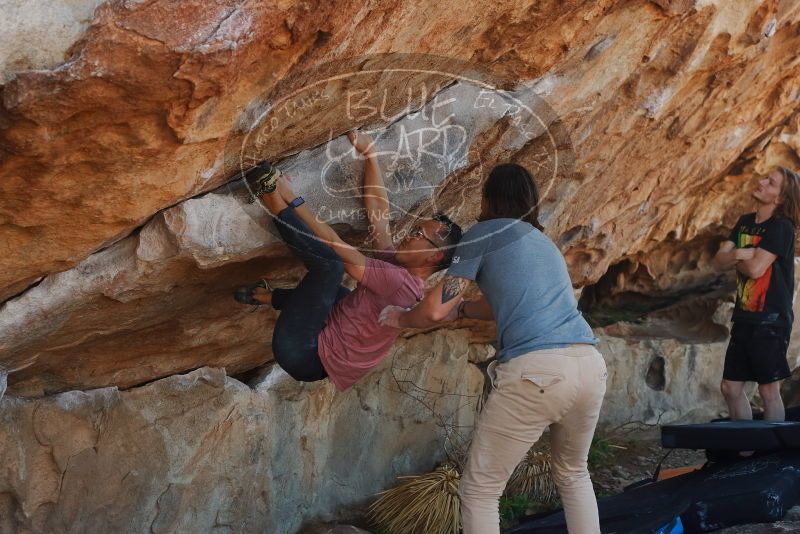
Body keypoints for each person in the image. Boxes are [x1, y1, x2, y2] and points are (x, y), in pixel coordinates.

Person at [380, 163, 606, 534]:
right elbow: (501, 304)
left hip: (538, 371)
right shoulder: (543, 244)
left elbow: (436, 308)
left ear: (488, 197)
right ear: (530, 201)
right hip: (589, 364)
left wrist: (401, 318)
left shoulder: (483, 233)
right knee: (573, 473)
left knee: (481, 490)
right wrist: (466, 310)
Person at [233, 132, 463, 391]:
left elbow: (335, 245)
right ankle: (263, 296)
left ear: (435, 255)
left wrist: (290, 198)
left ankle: (270, 195)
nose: (410, 236)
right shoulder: (400, 269)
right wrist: (371, 156)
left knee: (331, 268)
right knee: (340, 293)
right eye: (415, 230)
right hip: (322, 348)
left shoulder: (398, 282)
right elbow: (379, 216)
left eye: (419, 235)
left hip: (303, 353)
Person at [712, 167, 800, 421]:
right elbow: (718, 262)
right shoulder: (745, 222)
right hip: (744, 316)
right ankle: (746, 451)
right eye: (765, 178)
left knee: (768, 389)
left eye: (770, 183)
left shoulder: (781, 227)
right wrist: (741, 253)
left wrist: (737, 257)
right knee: (730, 387)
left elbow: (755, 269)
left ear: (780, 198)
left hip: (771, 320)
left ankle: (772, 455)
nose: (761, 182)